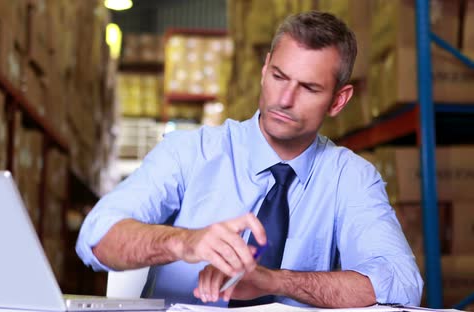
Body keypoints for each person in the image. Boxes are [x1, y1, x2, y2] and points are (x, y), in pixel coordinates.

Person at [76, 11, 423, 308]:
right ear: (264, 70)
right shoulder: (190, 152)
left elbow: (403, 284)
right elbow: (96, 236)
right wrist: (183, 241)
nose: (285, 99)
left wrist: (274, 281)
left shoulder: (351, 177)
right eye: (278, 77)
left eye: (309, 88)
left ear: (338, 101)